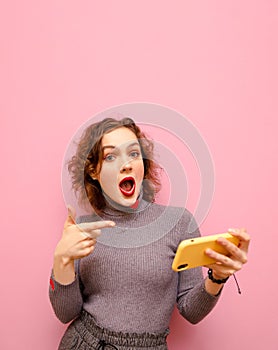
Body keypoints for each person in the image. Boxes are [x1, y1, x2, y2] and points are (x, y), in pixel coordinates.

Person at [49, 117, 250, 350]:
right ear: (94, 170)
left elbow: (191, 312)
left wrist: (218, 277)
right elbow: (65, 314)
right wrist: (61, 262)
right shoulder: (82, 229)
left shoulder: (178, 223)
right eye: (111, 156)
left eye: (133, 154)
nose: (126, 164)